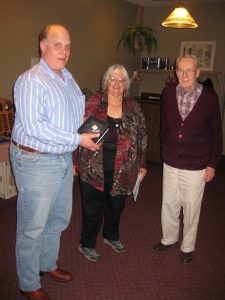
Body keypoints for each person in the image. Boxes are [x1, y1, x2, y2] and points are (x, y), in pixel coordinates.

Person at [10, 24, 100, 300]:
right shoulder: (31, 80)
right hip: (35, 159)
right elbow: (35, 128)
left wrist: (88, 132)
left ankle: (47, 265)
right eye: (57, 44)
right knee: (33, 225)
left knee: (59, 219)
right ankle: (28, 284)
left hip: (61, 156)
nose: (64, 51)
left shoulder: (67, 77)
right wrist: (78, 139)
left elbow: (72, 118)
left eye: (68, 45)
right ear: (43, 46)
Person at [153, 54, 223, 265]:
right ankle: (169, 239)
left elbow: (216, 134)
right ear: (175, 72)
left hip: (196, 164)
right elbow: (164, 125)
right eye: (180, 70)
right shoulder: (167, 93)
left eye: (189, 70)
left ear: (197, 73)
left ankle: (187, 246)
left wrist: (212, 164)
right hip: (171, 160)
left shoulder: (209, 97)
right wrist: (167, 147)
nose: (184, 75)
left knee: (191, 207)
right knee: (169, 203)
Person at [77, 64, 147, 262]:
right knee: (92, 208)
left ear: (126, 84)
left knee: (116, 206)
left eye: (121, 79)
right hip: (93, 166)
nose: (117, 83)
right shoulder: (93, 102)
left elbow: (142, 135)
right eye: (113, 79)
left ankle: (111, 236)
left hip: (124, 168)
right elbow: (78, 132)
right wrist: (76, 161)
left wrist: (142, 163)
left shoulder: (133, 106)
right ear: (106, 81)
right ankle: (87, 243)